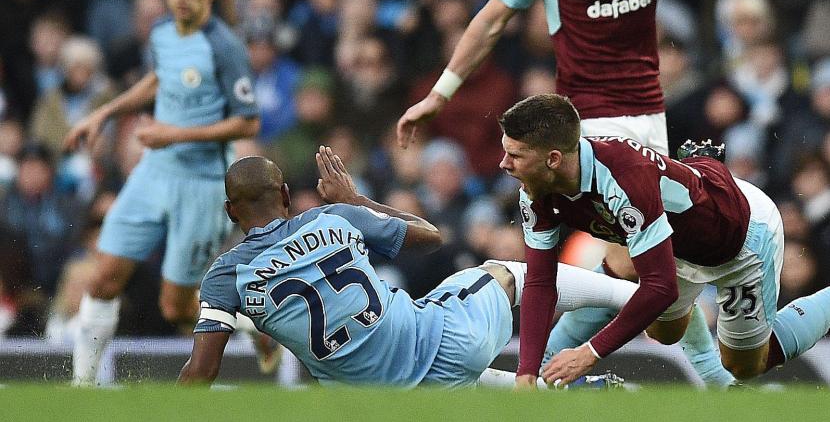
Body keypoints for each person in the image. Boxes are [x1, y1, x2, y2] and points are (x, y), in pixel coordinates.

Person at [396, 0, 798, 386]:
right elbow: (491, 20)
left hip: (648, 117)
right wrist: (439, 93)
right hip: (582, 121)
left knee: (659, 305)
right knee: (634, 273)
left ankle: (566, 370)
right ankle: (565, 374)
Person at [497, 94, 830, 387]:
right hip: (677, 243)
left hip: (741, 238)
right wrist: (527, 372)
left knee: (747, 364)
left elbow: (659, 288)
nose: (504, 164)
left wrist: (589, 352)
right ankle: (701, 171)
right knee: (660, 327)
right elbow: (539, 281)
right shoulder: (536, 189)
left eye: (514, 155)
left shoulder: (620, 181)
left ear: (553, 159)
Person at [177, 147, 638, 388]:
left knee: (386, 384)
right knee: (505, 272)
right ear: (283, 197)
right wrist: (355, 200)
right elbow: (430, 235)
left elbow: (201, 372)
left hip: (374, 397)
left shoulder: (224, 276)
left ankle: (582, 390)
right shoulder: (332, 216)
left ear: (230, 211)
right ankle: (636, 297)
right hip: (446, 344)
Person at [65, 0, 261, 386]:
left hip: (202, 183)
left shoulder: (225, 47)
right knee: (103, 278)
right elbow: (160, 79)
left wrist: (174, 134)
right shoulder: (162, 34)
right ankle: (81, 390)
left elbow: (249, 119)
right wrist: (105, 112)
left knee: (175, 307)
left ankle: (256, 326)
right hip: (153, 173)